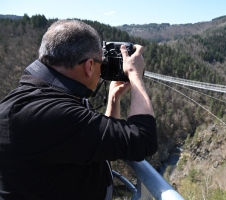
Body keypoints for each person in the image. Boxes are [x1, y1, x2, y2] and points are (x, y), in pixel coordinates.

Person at [0, 19, 157, 199]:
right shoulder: (54, 114)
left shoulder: (41, 95)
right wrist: (135, 76)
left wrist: (114, 98)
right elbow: (143, 139)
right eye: (101, 64)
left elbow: (96, 140)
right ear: (89, 66)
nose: (101, 71)